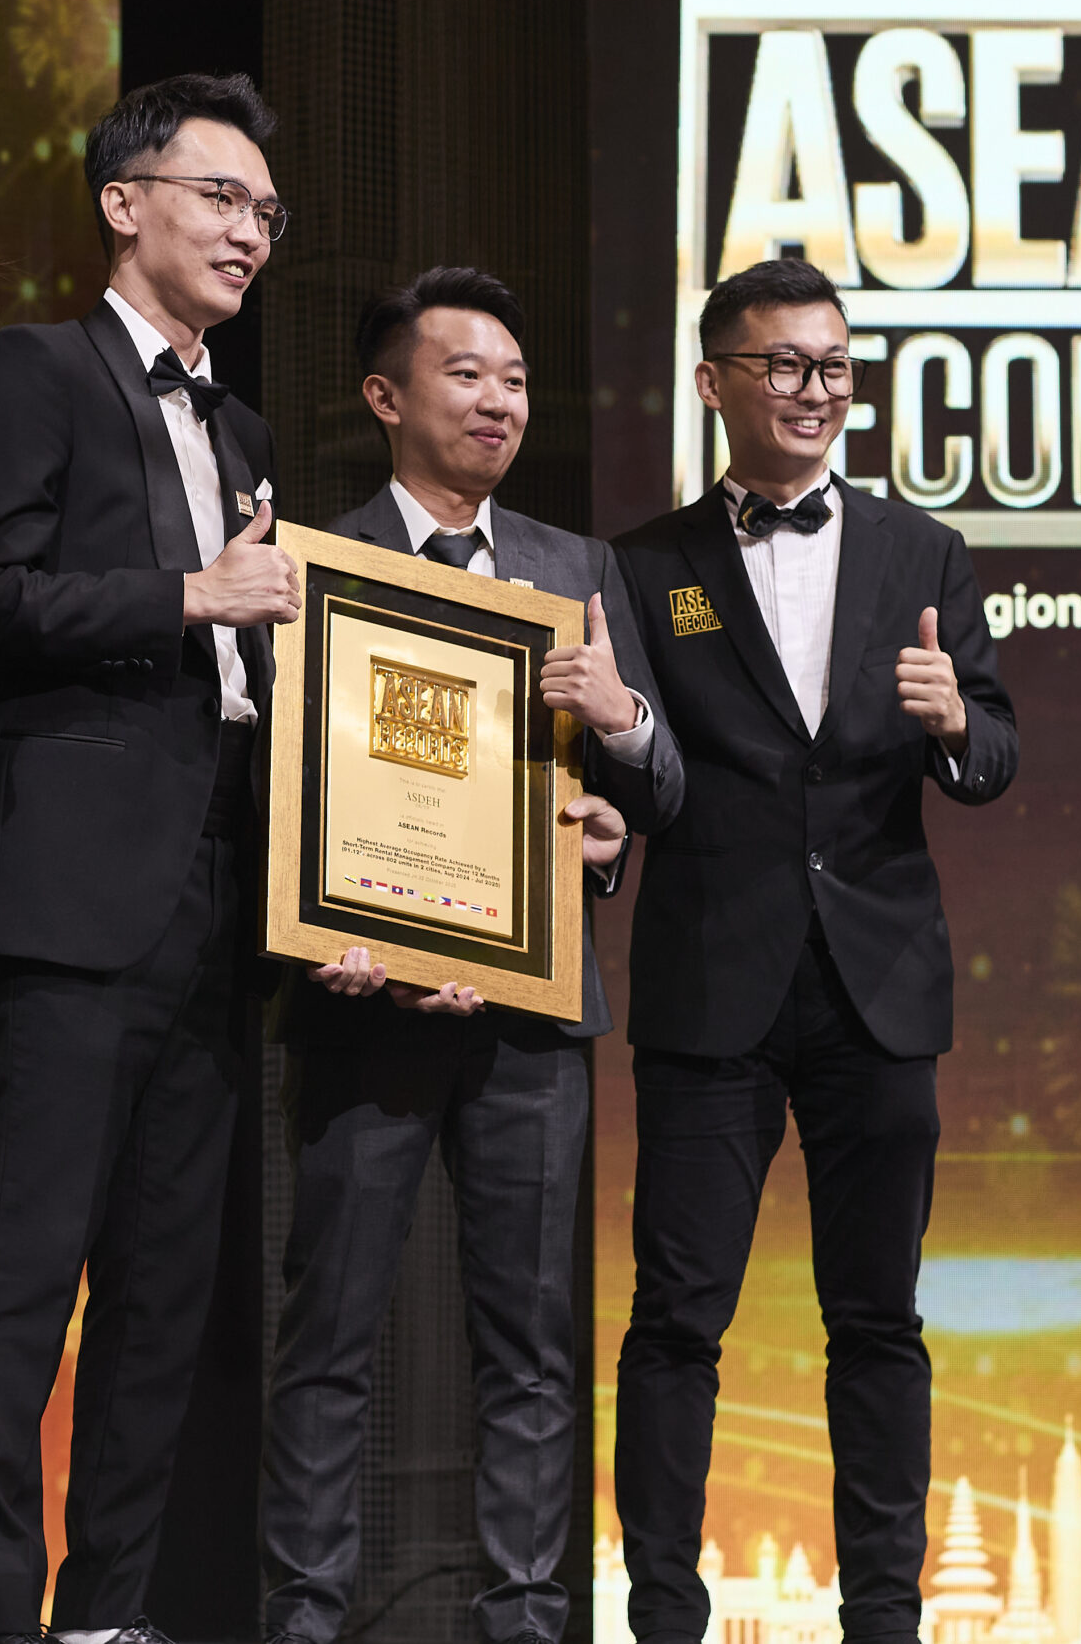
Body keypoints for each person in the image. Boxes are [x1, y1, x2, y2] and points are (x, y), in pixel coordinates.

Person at [260, 268, 682, 1644]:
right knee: (329, 1336)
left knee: (533, 1349)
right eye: (466, 375)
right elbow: (269, 786)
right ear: (386, 397)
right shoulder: (316, 567)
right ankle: (305, 1618)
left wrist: (617, 730)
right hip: (363, 1007)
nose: (499, 401)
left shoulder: (579, 570)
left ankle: (524, 1620)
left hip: (530, 1022)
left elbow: (657, 788)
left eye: (514, 379)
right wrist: (320, 935)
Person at [0, 72, 296, 1644]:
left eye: (266, 212)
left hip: (219, 897)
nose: (249, 231)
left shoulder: (246, 429)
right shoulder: (32, 373)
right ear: (123, 203)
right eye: (221, 197)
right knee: (32, 1269)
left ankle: (103, 1617)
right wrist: (187, 597)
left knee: (164, 1295)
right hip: (72, 895)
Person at [607, 256, 1017, 1644]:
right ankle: (663, 1615)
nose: (813, 390)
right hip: (709, 983)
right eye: (782, 364)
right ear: (713, 380)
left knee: (879, 1323)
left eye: (833, 365)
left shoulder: (925, 553)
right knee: (677, 1321)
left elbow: (997, 750)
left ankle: (885, 1619)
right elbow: (639, 774)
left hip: (878, 988)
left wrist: (955, 724)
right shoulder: (644, 565)